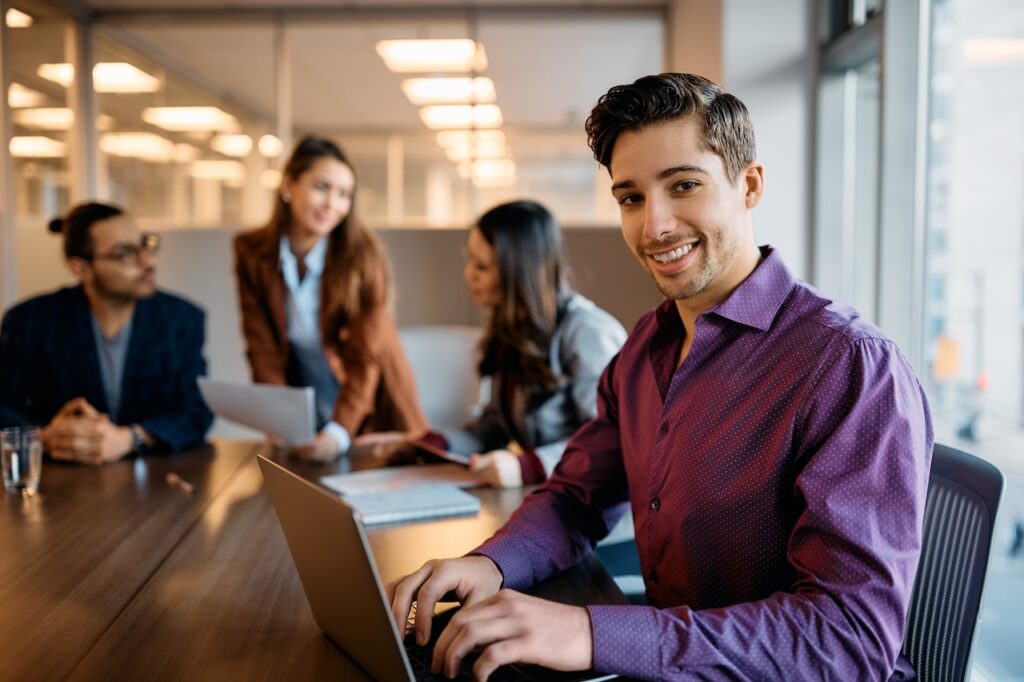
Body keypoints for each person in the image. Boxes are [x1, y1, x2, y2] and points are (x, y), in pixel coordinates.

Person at [387, 73, 933, 681]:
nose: (655, 227)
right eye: (631, 198)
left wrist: (590, 632)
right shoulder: (645, 345)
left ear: (748, 184)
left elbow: (845, 641)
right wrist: (490, 565)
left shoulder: (849, 365)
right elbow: (576, 498)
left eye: (683, 186)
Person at [357, 200, 626, 487]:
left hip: (598, 511)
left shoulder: (588, 332)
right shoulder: (513, 331)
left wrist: (527, 467)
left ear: (519, 272)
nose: (467, 274)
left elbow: (612, 441)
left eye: (482, 266)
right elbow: (495, 426)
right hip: (551, 495)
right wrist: (426, 444)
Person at [234, 135, 427, 463]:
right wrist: (279, 414)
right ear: (288, 185)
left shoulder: (363, 254)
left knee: (377, 477)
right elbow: (261, 346)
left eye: (344, 194)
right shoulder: (252, 251)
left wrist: (339, 431)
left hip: (369, 387)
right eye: (322, 187)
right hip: (304, 384)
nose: (332, 205)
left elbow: (365, 357)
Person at [0, 202, 213, 464]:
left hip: (157, 481)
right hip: (61, 481)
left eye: (144, 245)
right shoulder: (31, 321)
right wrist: (45, 437)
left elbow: (198, 410)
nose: (147, 261)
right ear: (81, 268)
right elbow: (4, 407)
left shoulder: (180, 318)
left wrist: (130, 438)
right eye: (125, 253)